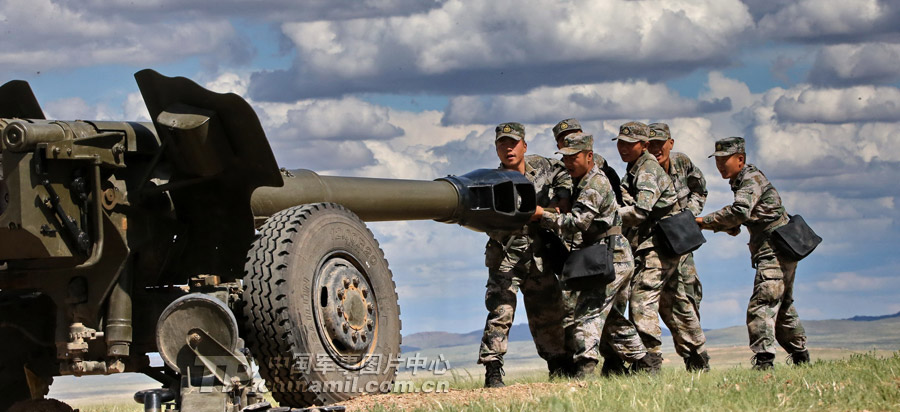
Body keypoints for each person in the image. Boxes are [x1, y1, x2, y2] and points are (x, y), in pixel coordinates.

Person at [696, 137, 809, 370]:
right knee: (782, 306)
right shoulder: (742, 179)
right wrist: (732, 225)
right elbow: (749, 214)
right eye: (717, 159)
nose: (720, 164)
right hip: (777, 248)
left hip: (774, 249)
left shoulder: (750, 179)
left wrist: (703, 221)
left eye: (725, 159)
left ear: (740, 159)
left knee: (762, 304)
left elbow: (740, 210)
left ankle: (764, 363)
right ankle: (801, 358)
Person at [535, 132, 640, 377]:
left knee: (587, 312)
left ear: (589, 156)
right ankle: (645, 362)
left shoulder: (594, 183)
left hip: (610, 254)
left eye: (574, 157)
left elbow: (578, 222)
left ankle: (585, 369)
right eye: (565, 158)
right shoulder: (583, 182)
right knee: (611, 318)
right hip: (607, 253)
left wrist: (543, 215)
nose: (569, 163)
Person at [478, 122, 572, 387]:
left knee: (548, 309)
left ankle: (557, 365)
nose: (508, 148)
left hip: (539, 252)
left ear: (524, 146)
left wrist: (562, 196)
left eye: (513, 143)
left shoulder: (541, 166)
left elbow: (563, 172)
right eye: (502, 144)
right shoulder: (491, 181)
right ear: (496, 149)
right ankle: (493, 369)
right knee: (501, 310)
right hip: (505, 253)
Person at [613, 121, 680, 373]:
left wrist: (607, 216)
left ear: (644, 146)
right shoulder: (634, 168)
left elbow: (641, 211)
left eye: (630, 144)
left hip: (660, 243)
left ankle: (651, 361)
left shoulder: (648, 169)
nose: (623, 148)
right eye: (620, 143)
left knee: (642, 300)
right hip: (646, 243)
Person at [646, 122, 710, 371]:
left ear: (670, 144)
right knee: (665, 302)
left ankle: (697, 358)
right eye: (650, 145)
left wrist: (689, 216)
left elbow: (700, 189)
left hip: (682, 242)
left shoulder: (682, 163)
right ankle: (689, 354)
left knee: (689, 297)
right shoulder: (643, 171)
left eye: (659, 144)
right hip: (657, 244)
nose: (655, 149)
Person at [553, 118, 622, 205]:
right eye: (564, 139)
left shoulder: (598, 166)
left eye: (574, 135)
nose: (571, 140)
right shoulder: (559, 170)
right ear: (558, 146)